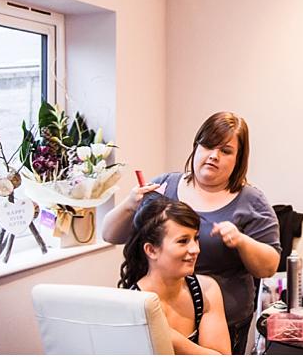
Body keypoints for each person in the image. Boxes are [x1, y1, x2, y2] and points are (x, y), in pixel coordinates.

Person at [104, 112, 281, 354]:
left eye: (226, 151)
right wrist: (130, 203)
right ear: (196, 146)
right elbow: (110, 234)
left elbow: (268, 267)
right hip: (161, 312)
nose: (213, 156)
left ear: (238, 159)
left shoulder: (251, 201)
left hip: (224, 319)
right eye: (207, 145)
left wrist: (241, 241)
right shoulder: (165, 187)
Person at [119, 196, 231, 355]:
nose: (195, 249)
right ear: (151, 250)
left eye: (195, 238)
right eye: (183, 241)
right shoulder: (131, 306)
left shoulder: (206, 290)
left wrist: (170, 338)